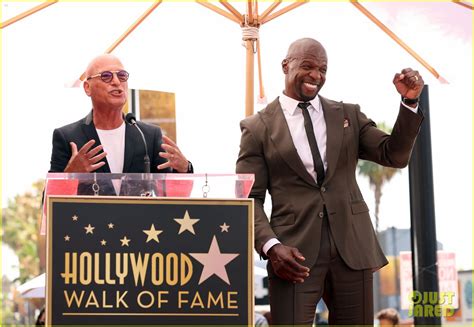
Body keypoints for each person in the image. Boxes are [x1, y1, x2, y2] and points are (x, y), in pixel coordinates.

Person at [236, 38, 424, 325]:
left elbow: (394, 154)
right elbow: (249, 197)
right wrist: (272, 247)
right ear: (286, 65)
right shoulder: (257, 127)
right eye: (308, 66)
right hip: (292, 257)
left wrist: (409, 103)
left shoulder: (347, 115)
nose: (316, 75)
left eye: (322, 69)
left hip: (352, 250)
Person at [49, 54, 192, 194]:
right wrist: (70, 175)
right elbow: (49, 205)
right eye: (106, 76)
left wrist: (184, 169)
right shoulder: (67, 137)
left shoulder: (147, 136)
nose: (117, 82)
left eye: (122, 76)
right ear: (87, 87)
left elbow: (171, 198)